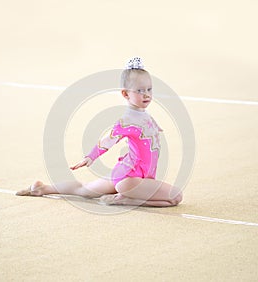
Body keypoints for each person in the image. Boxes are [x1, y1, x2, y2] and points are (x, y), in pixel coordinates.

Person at [16, 57, 182, 207]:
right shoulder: (127, 120)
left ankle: (43, 188)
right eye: (139, 91)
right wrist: (90, 157)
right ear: (125, 93)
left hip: (130, 175)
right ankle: (125, 199)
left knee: (85, 189)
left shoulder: (143, 115)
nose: (146, 95)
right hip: (130, 180)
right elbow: (108, 140)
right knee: (176, 197)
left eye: (149, 89)